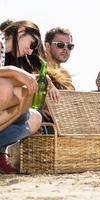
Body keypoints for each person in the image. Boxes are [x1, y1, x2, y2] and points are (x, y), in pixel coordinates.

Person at [0, 20, 43, 174]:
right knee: (8, 88)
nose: (31, 52)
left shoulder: (6, 53)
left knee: (35, 117)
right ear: (22, 30)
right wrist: (13, 71)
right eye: (33, 44)